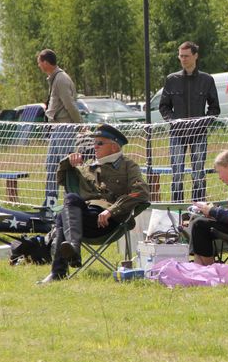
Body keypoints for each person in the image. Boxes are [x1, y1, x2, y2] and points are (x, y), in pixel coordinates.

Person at [38, 123, 149, 283]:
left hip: (109, 221)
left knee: (62, 216)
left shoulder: (128, 165)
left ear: (114, 146)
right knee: (70, 199)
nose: (94, 146)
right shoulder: (88, 165)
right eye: (94, 143)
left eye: (99, 143)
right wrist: (68, 161)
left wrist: (111, 210)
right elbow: (62, 180)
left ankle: (60, 270)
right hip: (83, 220)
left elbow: (141, 192)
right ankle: (73, 249)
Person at [159, 41, 220, 203]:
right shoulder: (171, 79)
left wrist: (202, 123)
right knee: (177, 175)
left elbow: (215, 108)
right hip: (177, 134)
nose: (183, 59)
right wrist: (174, 122)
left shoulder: (207, 80)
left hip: (199, 134)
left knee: (198, 173)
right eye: (181, 56)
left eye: (186, 56)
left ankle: (198, 209)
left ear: (195, 56)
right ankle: (178, 209)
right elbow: (164, 106)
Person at [37, 49, 83, 210]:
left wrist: (80, 125)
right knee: (51, 165)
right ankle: (50, 202)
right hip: (56, 128)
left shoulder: (61, 79)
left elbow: (70, 104)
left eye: (39, 62)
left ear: (45, 62)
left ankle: (72, 202)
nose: (39, 65)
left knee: (67, 166)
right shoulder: (55, 78)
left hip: (65, 128)